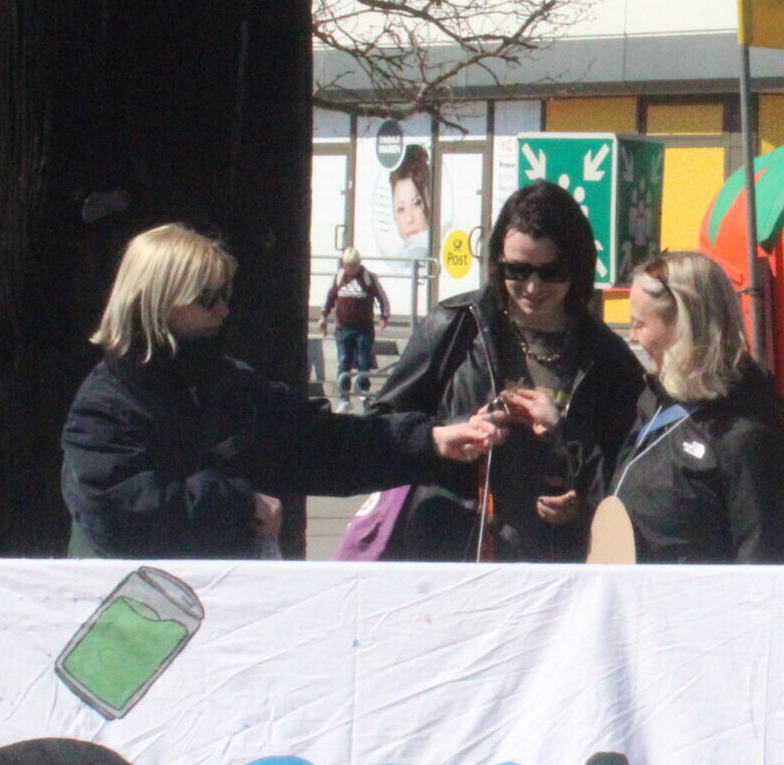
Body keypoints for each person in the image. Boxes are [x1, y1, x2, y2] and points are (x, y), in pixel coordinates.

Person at [61, 223, 497, 559]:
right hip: (137, 614)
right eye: (207, 296)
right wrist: (239, 506)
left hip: (225, 601)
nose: (224, 308)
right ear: (155, 302)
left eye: (226, 293)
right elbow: (118, 509)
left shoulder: (227, 382)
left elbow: (321, 443)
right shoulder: (108, 403)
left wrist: (430, 441)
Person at [368, 181, 645, 561]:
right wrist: (449, 433)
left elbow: (631, 473)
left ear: (576, 267)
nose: (532, 287)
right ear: (498, 263)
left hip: (554, 563)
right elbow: (381, 429)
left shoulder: (606, 357)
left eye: (552, 272)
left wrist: (583, 496)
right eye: (517, 270)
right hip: (451, 548)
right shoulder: (454, 328)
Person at [613, 251, 784, 564]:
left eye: (639, 324)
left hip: (701, 610)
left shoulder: (746, 434)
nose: (631, 336)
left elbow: (765, 560)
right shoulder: (656, 400)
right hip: (639, 606)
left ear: (683, 327)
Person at [320, 248, 390, 401]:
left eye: (353, 265)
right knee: (344, 361)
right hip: (343, 328)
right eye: (347, 265)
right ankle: (344, 397)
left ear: (359, 264)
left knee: (363, 361)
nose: (350, 269)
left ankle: (363, 392)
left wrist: (384, 316)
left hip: (364, 329)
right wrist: (323, 316)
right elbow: (329, 298)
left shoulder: (368, 278)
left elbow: (382, 298)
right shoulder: (339, 277)